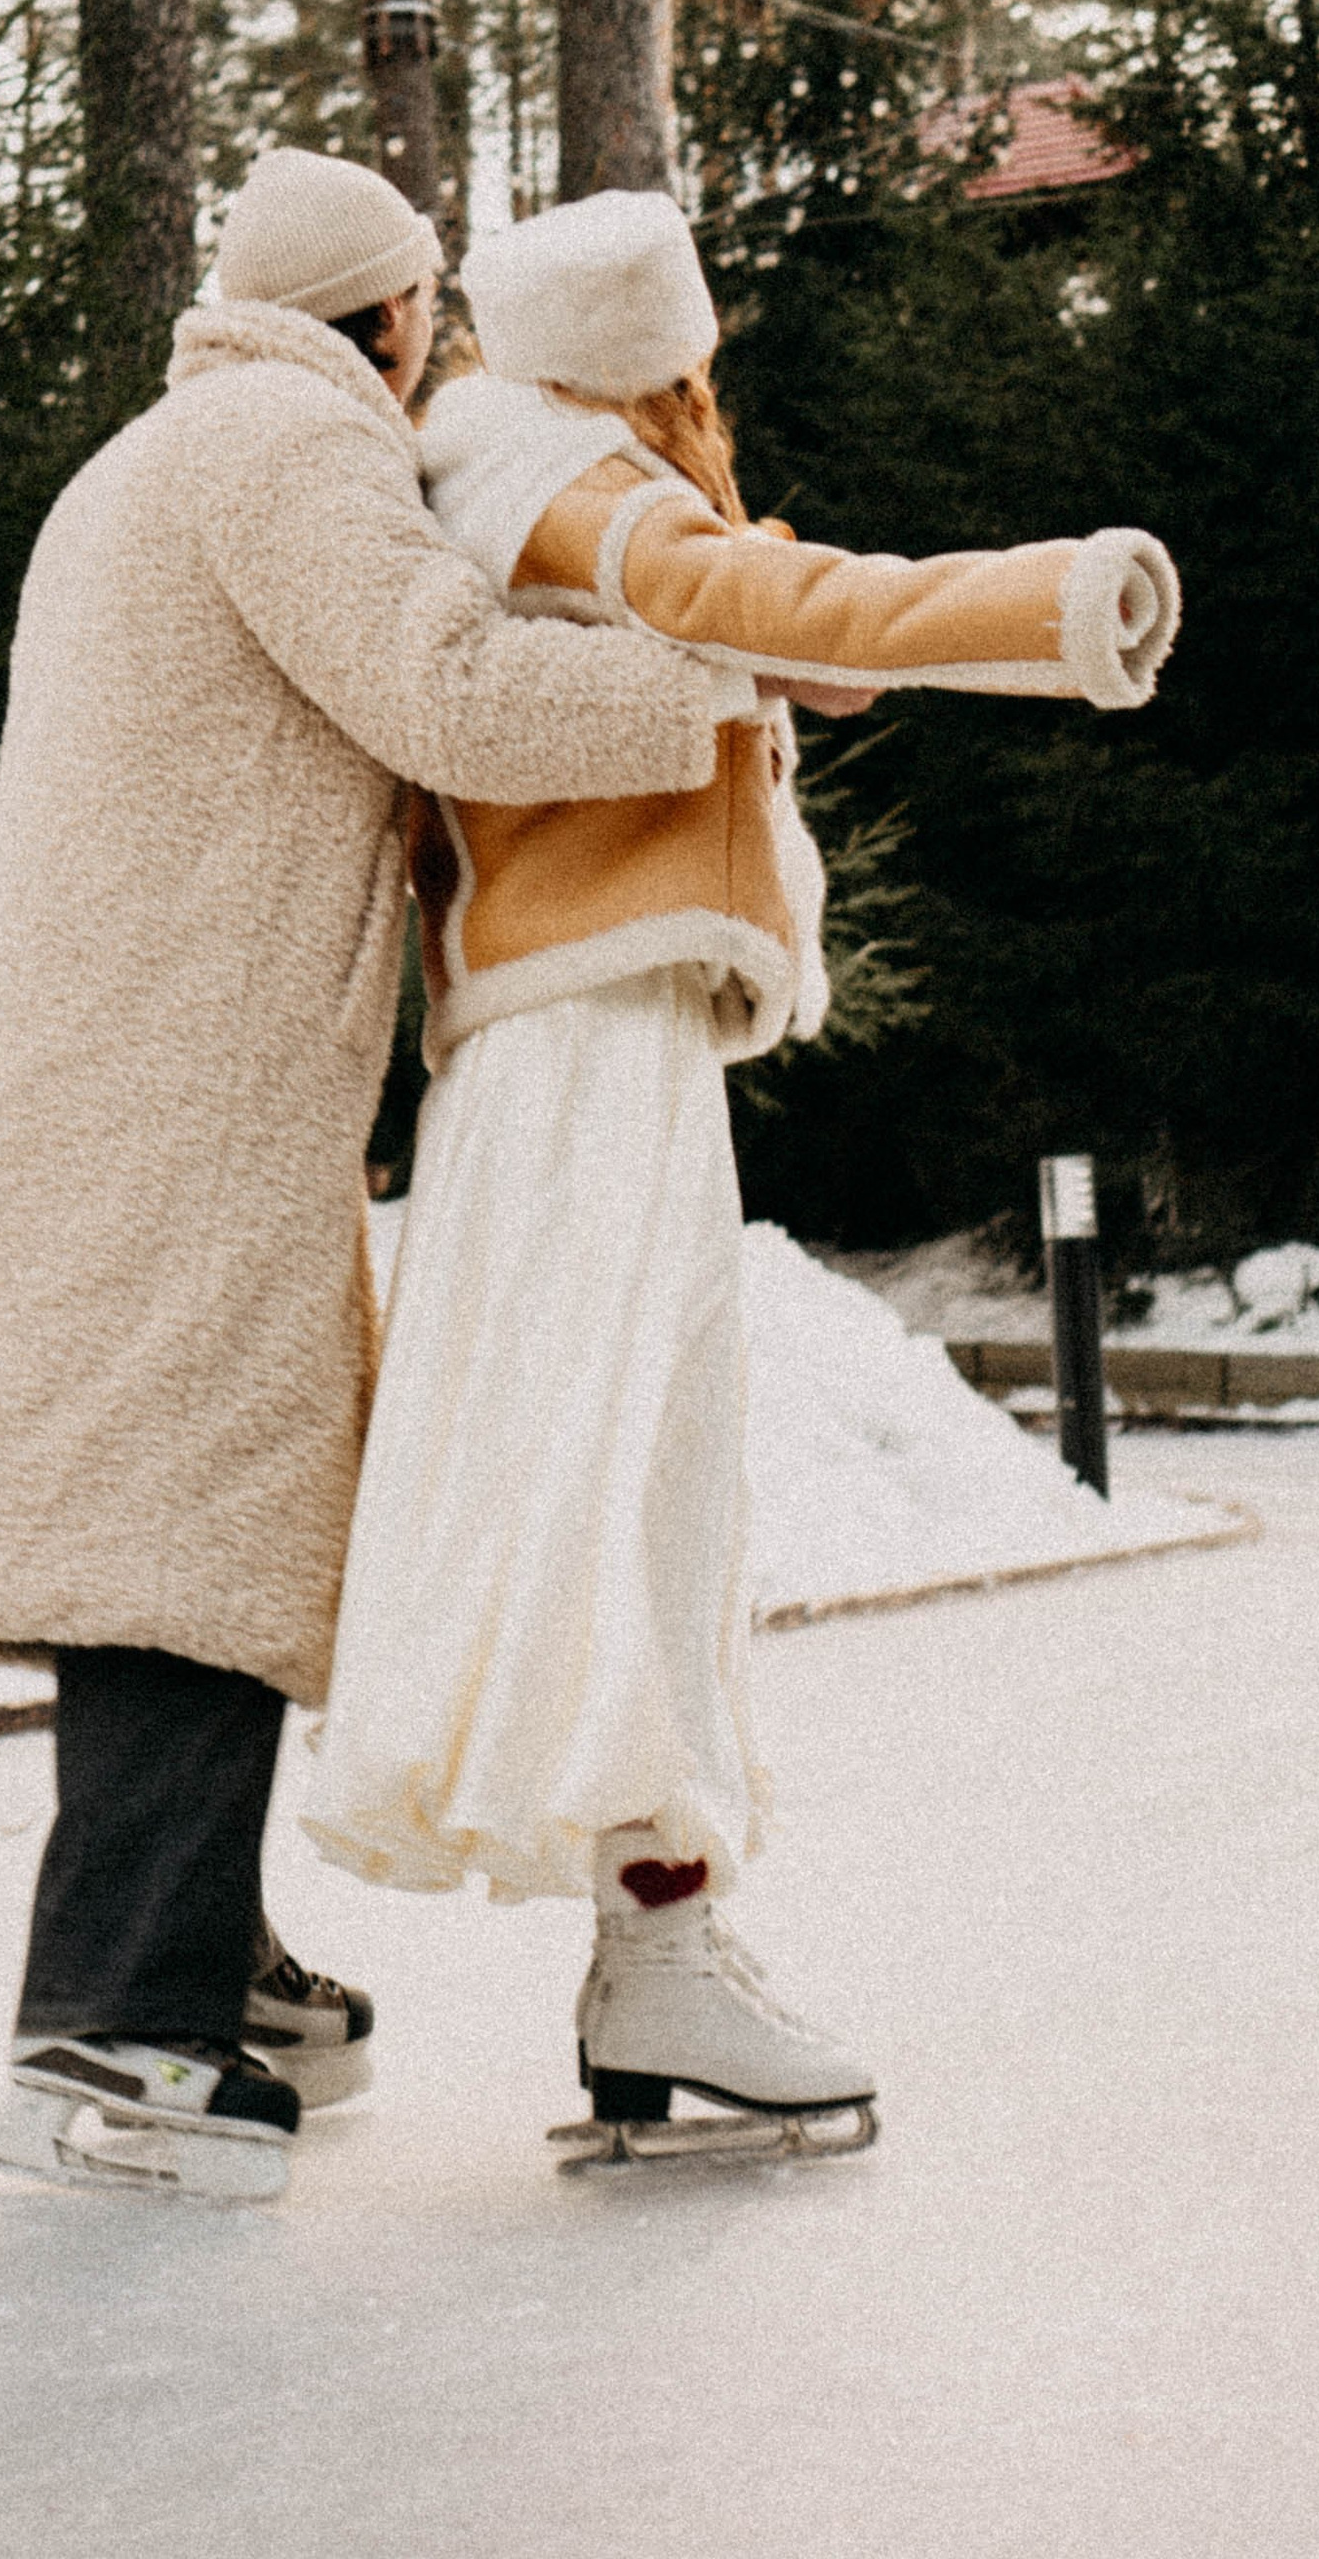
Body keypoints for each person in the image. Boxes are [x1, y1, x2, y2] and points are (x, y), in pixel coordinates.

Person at [0, 151, 760, 2205]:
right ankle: (115, 2031)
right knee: (180, 1527)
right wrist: (706, 686)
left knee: (196, 1506)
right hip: (173, 1076)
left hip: (124, 1063)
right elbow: (442, 688)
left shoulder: (160, 451)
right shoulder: (288, 444)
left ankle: (193, 1954)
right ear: (389, 315)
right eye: (427, 313)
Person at [303, 187, 1179, 2159]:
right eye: (692, 371)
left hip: (585, 1050)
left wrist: (790, 640)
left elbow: (755, 600)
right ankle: (661, 1939)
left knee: (637, 1481)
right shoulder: (568, 486)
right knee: (627, 1481)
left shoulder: (550, 473)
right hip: (585, 1051)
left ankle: (657, 1943)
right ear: (649, 362)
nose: (710, 407)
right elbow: (774, 603)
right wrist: (1059, 599)